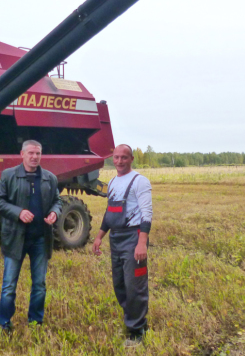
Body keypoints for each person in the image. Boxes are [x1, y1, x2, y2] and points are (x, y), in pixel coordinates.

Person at [0, 139, 62, 334]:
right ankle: (5, 323)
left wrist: (55, 213)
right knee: (9, 285)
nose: (34, 157)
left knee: (39, 284)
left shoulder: (50, 178)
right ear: (22, 154)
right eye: (30, 153)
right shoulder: (9, 175)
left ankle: (35, 321)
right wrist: (18, 212)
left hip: (40, 238)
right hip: (16, 237)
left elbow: (57, 201)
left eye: (38, 153)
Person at [92, 144, 153, 347]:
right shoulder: (111, 183)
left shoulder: (140, 182)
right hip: (116, 238)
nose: (119, 161)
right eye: (116, 157)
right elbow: (110, 213)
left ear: (131, 159)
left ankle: (137, 331)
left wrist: (142, 243)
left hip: (134, 238)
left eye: (124, 158)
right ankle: (134, 320)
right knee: (119, 284)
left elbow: (146, 214)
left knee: (134, 286)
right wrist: (100, 236)